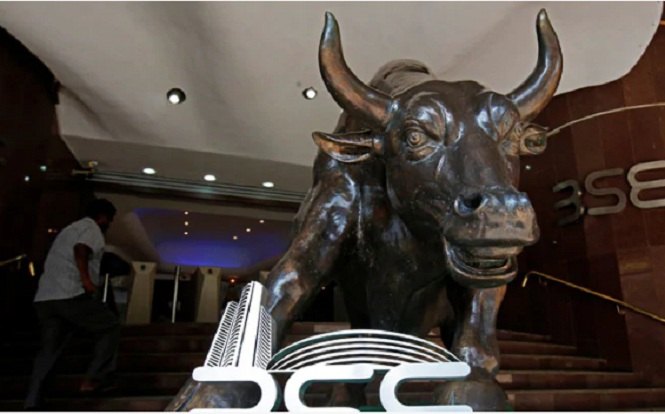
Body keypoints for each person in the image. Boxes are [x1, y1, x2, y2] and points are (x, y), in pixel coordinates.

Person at [25, 199, 120, 409]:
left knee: (49, 350)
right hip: (71, 293)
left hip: (46, 298)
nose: (109, 224)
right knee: (110, 326)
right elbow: (81, 249)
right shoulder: (91, 228)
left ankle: (33, 400)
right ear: (103, 217)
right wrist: (87, 281)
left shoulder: (68, 229)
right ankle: (95, 379)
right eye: (110, 220)